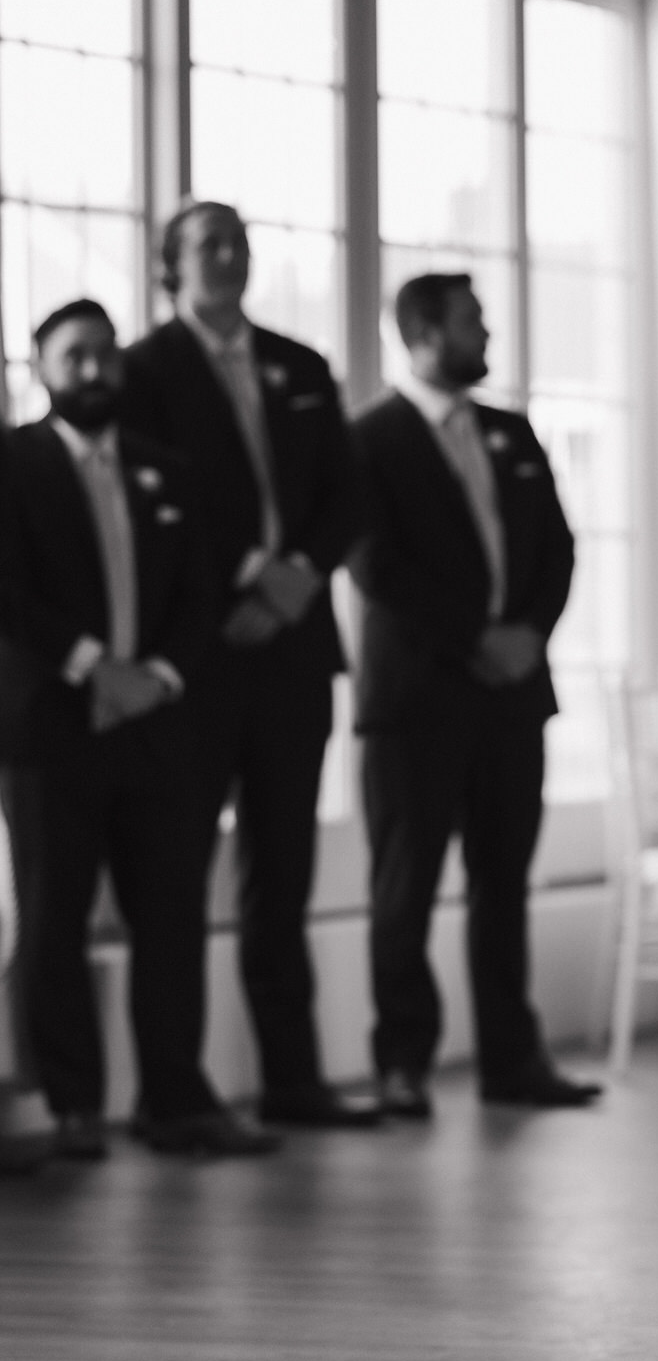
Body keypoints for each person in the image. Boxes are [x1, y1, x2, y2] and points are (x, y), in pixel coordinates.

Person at [0, 301, 276, 1159]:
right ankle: (73, 1106)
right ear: (41, 367)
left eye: (106, 355)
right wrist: (93, 667)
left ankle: (176, 1098)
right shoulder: (12, 465)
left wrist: (157, 676)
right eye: (75, 355)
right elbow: (9, 592)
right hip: (55, 725)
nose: (95, 370)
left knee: (172, 912)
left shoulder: (167, 470)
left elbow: (199, 596)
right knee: (56, 917)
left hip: (160, 723)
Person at [121, 203, 375, 1129]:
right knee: (174, 877)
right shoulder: (143, 372)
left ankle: (293, 1082)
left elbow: (345, 494)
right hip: (197, 652)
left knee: (284, 871)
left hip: (295, 651)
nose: (229, 256)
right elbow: (154, 491)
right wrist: (246, 575)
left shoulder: (299, 366)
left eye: (239, 241)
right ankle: (173, 1094)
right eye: (208, 244)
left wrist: (299, 576)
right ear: (172, 265)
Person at [349, 273, 598, 1115]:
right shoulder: (370, 439)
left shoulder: (509, 429)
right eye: (472, 321)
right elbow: (377, 566)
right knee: (404, 888)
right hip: (416, 701)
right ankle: (403, 1063)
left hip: (513, 696)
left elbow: (558, 548)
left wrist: (527, 633)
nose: (486, 333)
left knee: (505, 882)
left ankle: (510, 1060)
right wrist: (475, 639)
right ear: (423, 332)